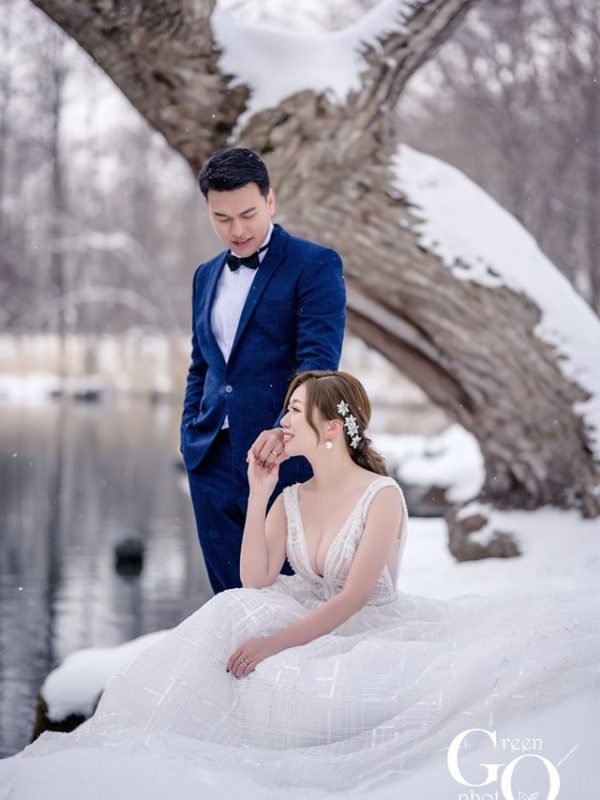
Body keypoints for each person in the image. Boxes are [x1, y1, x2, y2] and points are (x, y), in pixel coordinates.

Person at [5, 370, 600, 799]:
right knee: (230, 612)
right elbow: (254, 580)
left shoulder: (381, 496)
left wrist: (272, 644)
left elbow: (353, 597)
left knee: (287, 673)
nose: (283, 420)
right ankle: (150, 755)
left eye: (294, 410)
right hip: (303, 613)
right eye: (286, 408)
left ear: (332, 428)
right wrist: (259, 489)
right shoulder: (289, 496)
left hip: (366, 627)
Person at [180, 147, 346, 595]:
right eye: (222, 218)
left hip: (283, 458)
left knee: (289, 597)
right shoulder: (204, 275)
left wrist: (282, 431)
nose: (236, 230)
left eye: (248, 214)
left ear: (270, 201)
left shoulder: (315, 264)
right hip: (210, 458)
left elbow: (318, 365)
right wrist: (189, 431)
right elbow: (202, 365)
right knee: (228, 596)